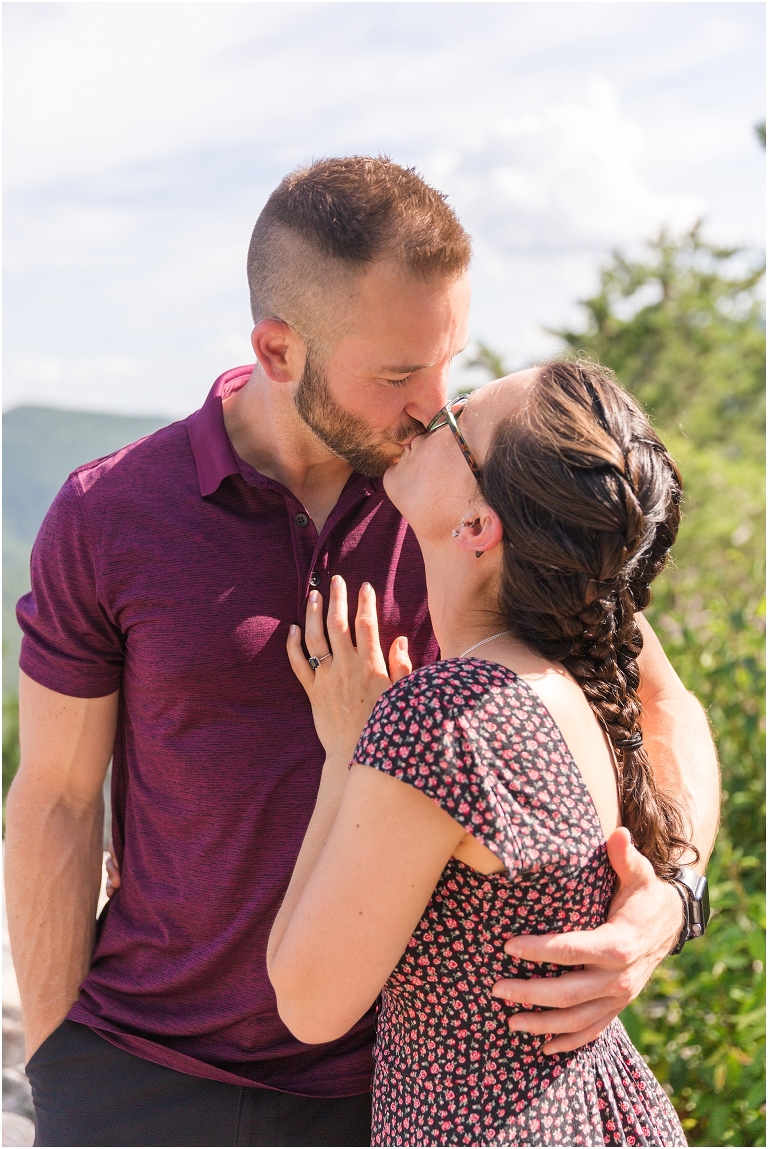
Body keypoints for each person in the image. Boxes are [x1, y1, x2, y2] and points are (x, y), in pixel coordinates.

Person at [4, 157, 717, 1148]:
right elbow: (59, 802)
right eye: (396, 376)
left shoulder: (474, 508)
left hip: (398, 1090)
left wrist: (671, 898)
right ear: (280, 349)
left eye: (448, 363)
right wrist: (60, 1066)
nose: (433, 404)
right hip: (147, 1079)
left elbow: (657, 701)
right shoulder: (110, 514)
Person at [268, 360, 694, 1146]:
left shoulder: (447, 716)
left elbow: (308, 999)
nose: (430, 410)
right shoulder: (578, 678)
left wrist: (346, 749)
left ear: (476, 525)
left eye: (455, 417)